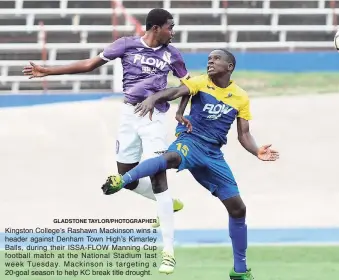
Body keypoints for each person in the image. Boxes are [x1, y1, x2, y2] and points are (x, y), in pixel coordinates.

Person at [22, 8, 192, 274]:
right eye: (171, 26)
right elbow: (90, 64)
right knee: (127, 179)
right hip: (128, 115)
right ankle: (168, 204)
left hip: (154, 118)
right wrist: (48, 71)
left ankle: (168, 251)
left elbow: (187, 86)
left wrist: (171, 106)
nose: (174, 31)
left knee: (159, 175)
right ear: (156, 27)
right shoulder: (126, 44)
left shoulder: (173, 54)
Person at [102, 49, 280, 279]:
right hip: (190, 141)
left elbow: (243, 134)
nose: (210, 62)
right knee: (169, 159)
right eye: (208, 59)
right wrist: (153, 98)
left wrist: (257, 151)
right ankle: (121, 180)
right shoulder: (200, 83)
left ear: (229, 67)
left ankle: (239, 271)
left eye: (216, 59)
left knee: (239, 209)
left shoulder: (241, 97)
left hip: (213, 155)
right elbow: (176, 91)